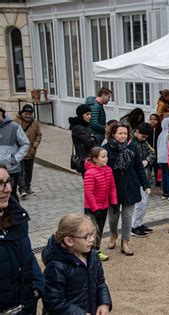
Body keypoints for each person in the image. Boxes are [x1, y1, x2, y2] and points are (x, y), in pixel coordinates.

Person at [42, 213, 112, 314]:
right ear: (69, 241)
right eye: (86, 237)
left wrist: (104, 302)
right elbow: (53, 301)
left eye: (92, 234)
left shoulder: (93, 256)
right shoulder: (56, 267)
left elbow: (100, 282)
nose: (92, 239)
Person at [0, 165, 44, 314]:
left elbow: (27, 254)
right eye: (0, 183)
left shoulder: (17, 217)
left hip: (25, 306)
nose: (7, 189)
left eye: (8, 182)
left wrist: (38, 286)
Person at [103, 122, 151, 256]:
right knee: (113, 216)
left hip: (130, 185)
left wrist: (145, 185)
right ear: (113, 134)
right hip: (113, 188)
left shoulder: (133, 147)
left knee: (127, 216)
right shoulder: (106, 148)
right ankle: (113, 234)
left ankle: (125, 242)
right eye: (120, 133)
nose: (123, 136)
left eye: (125, 133)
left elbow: (139, 168)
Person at [83, 147, 118, 262]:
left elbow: (112, 187)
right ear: (95, 159)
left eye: (106, 156)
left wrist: (114, 202)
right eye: (103, 157)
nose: (106, 159)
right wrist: (95, 208)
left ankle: (96, 250)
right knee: (92, 230)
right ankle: (89, 252)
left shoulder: (108, 170)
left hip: (104, 206)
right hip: (92, 208)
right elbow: (89, 193)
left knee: (100, 229)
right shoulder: (89, 173)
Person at [131, 122, 156, 238]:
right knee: (140, 203)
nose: (144, 139)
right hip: (135, 177)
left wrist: (147, 160)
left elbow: (152, 152)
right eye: (142, 136)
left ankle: (139, 223)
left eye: (146, 137)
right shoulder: (130, 143)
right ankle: (134, 226)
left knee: (144, 202)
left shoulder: (144, 142)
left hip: (144, 175)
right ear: (136, 132)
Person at [0, 107, 30, 201]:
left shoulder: (14, 127)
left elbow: (25, 144)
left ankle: (16, 214)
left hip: (11, 168)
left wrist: (15, 158)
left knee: (11, 195)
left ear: (2, 113)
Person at [13, 104, 42, 199]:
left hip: (31, 151)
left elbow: (38, 135)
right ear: (22, 113)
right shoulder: (15, 122)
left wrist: (35, 146)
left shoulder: (35, 123)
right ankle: (22, 190)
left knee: (29, 171)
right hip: (19, 151)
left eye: (30, 114)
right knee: (21, 171)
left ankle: (27, 187)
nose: (28, 116)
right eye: (26, 114)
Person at [69, 104, 99, 176]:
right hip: (85, 160)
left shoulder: (84, 125)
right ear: (81, 115)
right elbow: (91, 144)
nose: (90, 116)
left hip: (88, 158)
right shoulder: (79, 128)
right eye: (87, 114)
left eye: (90, 114)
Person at [157, 117, 169, 200]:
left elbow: (157, 146)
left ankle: (165, 193)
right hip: (167, 157)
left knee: (164, 176)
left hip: (161, 158)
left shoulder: (161, 134)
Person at [147, 113, 162, 188]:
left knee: (157, 168)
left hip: (157, 152)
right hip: (149, 153)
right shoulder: (147, 129)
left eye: (155, 119)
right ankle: (147, 183)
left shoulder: (160, 130)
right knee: (148, 168)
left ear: (158, 121)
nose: (153, 121)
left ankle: (158, 183)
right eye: (151, 119)